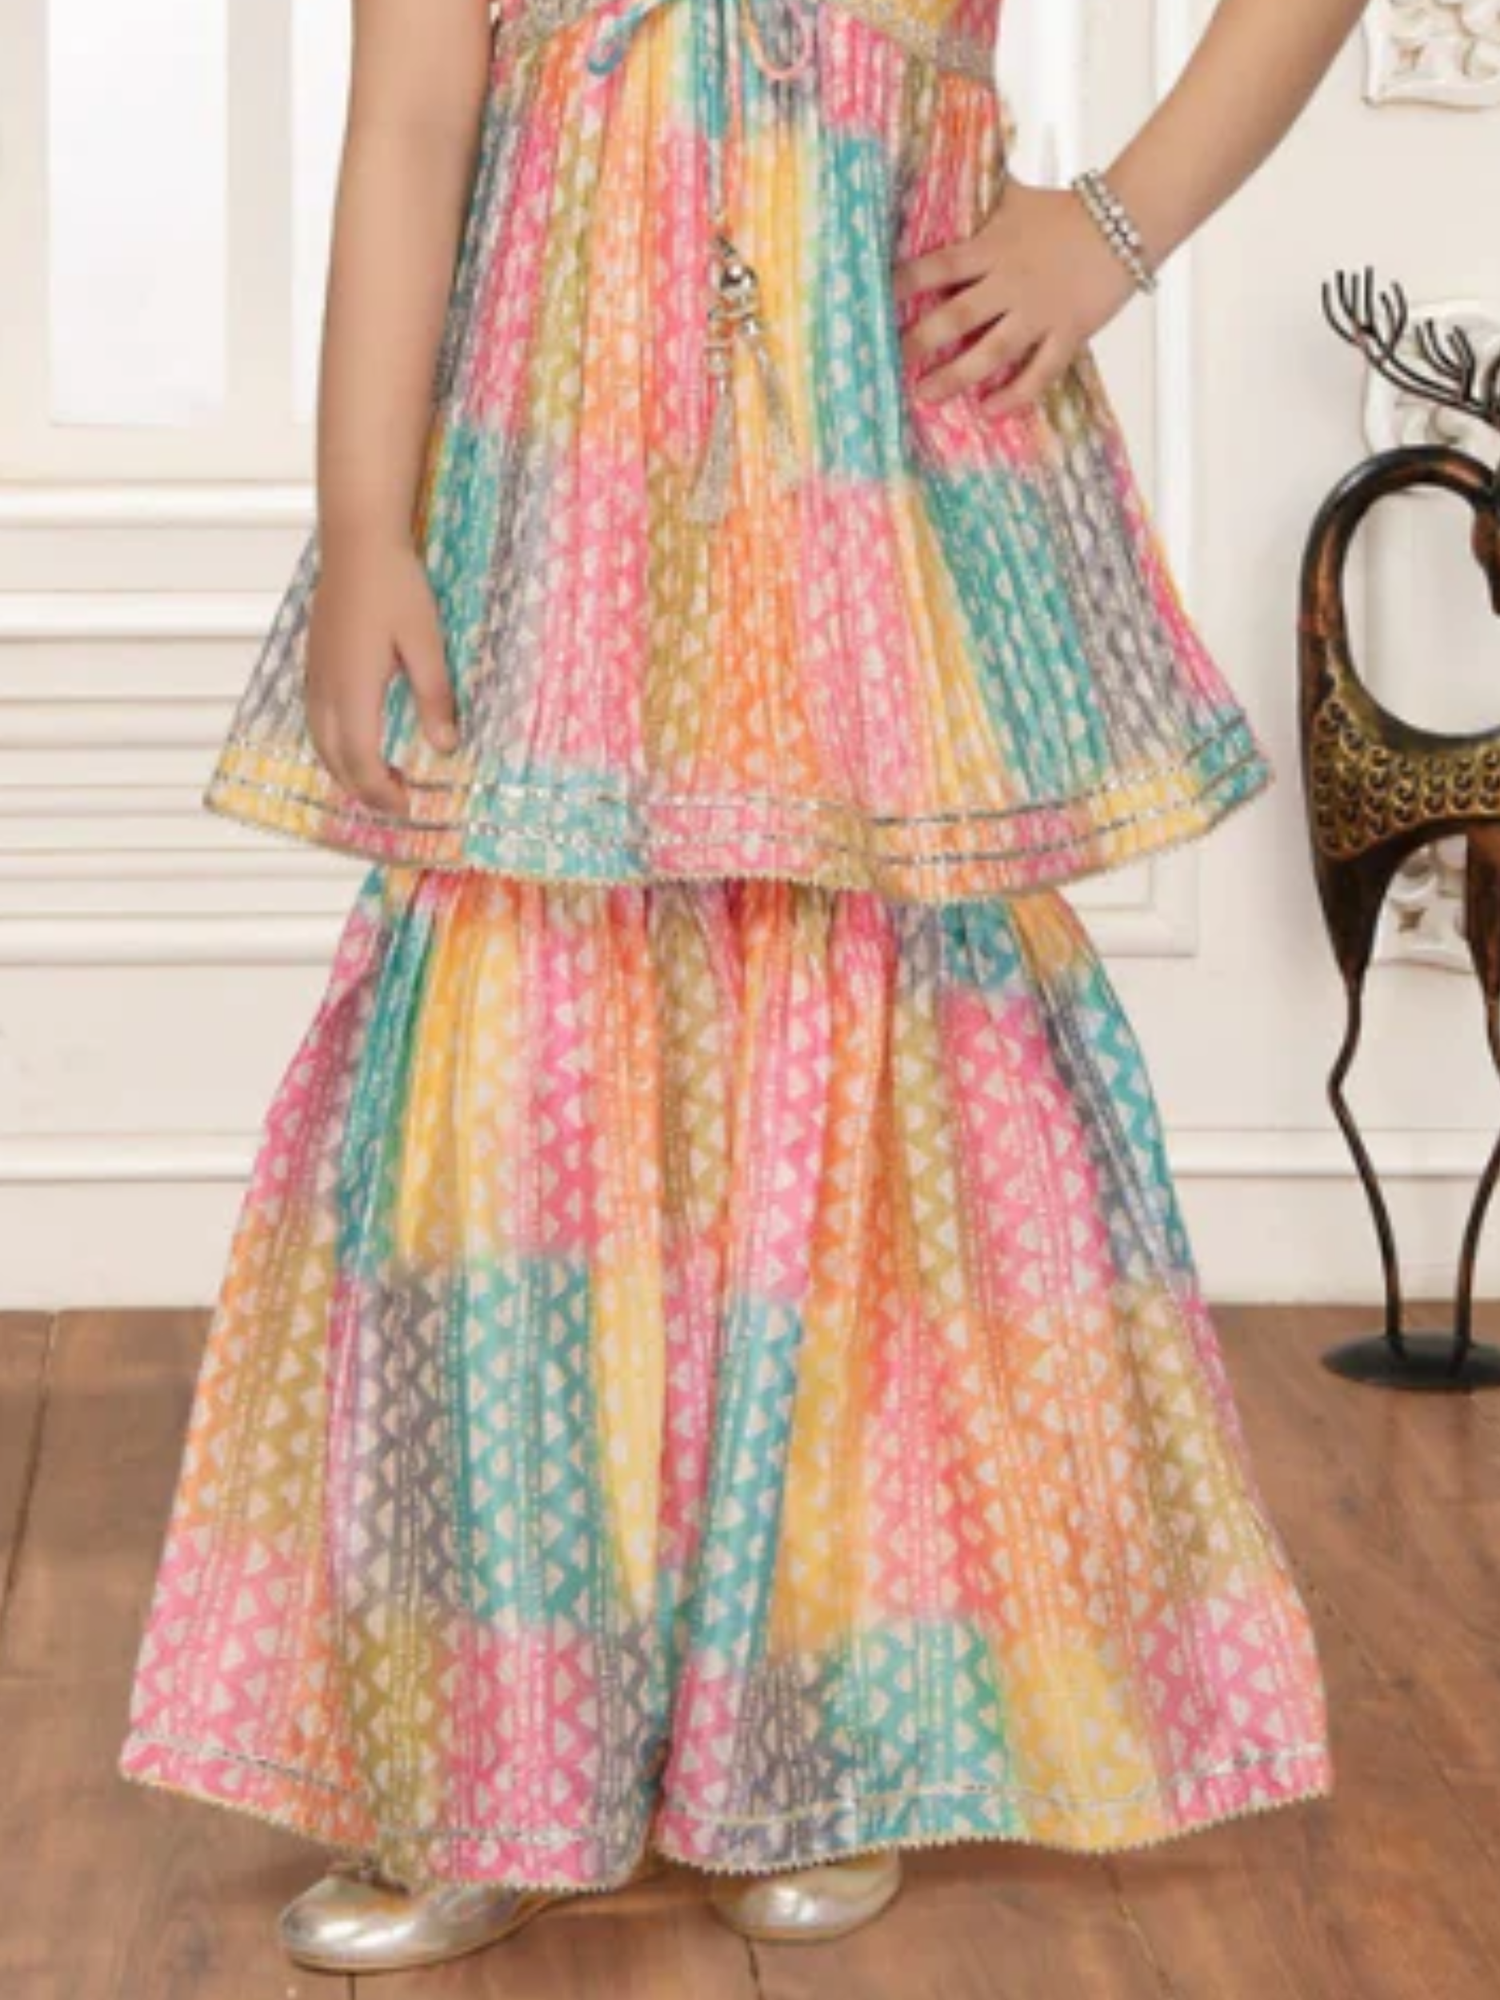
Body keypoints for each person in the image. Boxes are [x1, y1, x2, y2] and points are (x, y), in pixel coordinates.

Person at [119, 0, 1353, 1972]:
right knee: (509, 1133)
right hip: (558, 503)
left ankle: (818, 1737)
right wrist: (361, 523)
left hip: (872, 492)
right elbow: (412, 115)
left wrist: (1107, 233)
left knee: (853, 1142)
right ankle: (489, 1759)